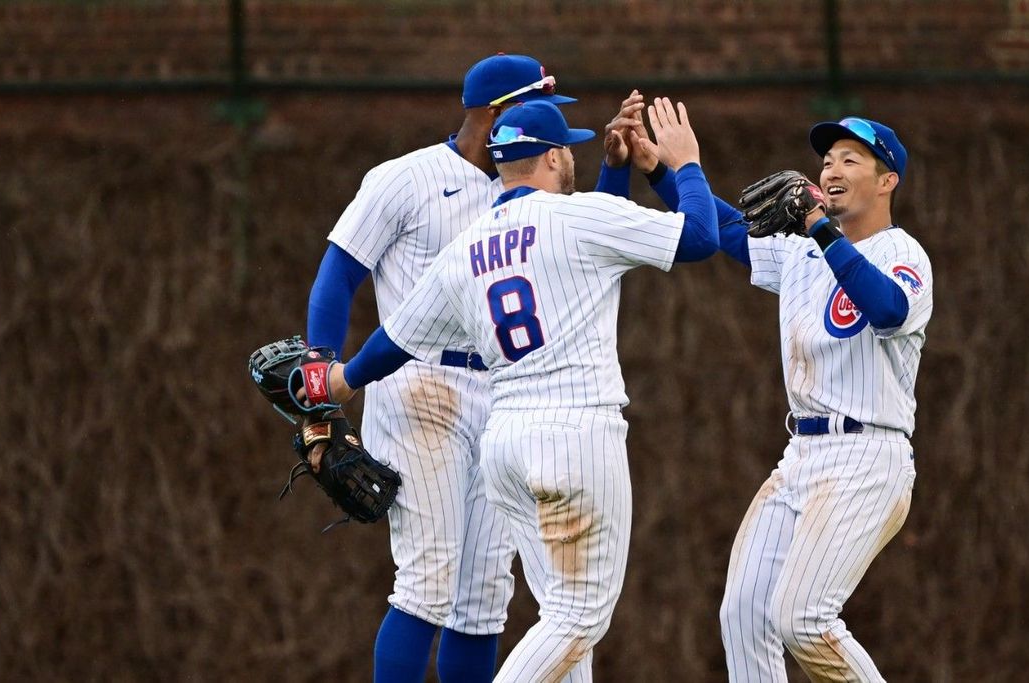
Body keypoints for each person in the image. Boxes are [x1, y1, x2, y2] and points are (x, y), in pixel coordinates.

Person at [298, 97, 721, 681]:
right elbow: (700, 236)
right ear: (551, 158)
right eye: (567, 149)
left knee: (559, 614)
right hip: (576, 437)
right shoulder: (577, 217)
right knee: (579, 618)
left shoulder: (470, 246)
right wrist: (686, 164)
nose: (571, 157)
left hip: (506, 444)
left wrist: (339, 382)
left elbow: (393, 340)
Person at [706, 118, 933, 682]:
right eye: (828, 159)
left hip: (867, 456)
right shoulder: (803, 254)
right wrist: (669, 168)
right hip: (801, 456)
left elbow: (885, 310)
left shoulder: (904, 255)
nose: (831, 168)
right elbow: (727, 230)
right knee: (743, 615)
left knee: (803, 619)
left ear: (887, 181)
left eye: (851, 159)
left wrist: (818, 228)